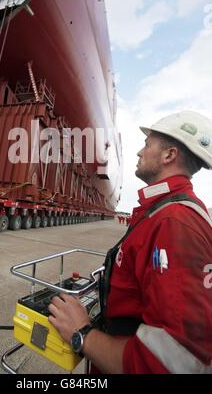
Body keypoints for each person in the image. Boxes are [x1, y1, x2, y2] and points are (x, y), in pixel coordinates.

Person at [48, 111, 212, 374]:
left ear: (169, 155)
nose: (138, 152)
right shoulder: (161, 211)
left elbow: (172, 363)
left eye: (147, 145)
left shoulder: (175, 223)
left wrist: (82, 334)